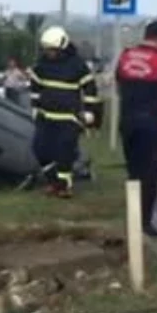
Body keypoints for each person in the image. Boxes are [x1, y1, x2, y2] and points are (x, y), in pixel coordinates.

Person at [115, 20, 157, 237]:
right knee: (149, 174)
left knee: (133, 170)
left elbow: (119, 85)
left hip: (127, 121)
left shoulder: (126, 56)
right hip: (150, 123)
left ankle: (132, 215)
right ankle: (144, 222)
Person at [29, 26, 102, 198]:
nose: (49, 53)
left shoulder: (77, 65)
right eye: (46, 50)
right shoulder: (42, 65)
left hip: (69, 117)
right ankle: (53, 180)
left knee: (64, 152)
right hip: (46, 116)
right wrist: (35, 108)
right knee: (40, 149)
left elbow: (90, 89)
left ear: (62, 47)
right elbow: (35, 89)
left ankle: (64, 186)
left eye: (52, 50)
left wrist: (91, 113)